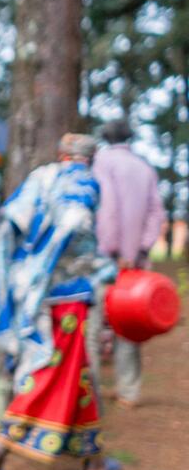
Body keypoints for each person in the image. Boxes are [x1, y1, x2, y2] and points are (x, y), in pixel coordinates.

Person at [0, 134, 121, 470]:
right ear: (89, 158)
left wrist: (21, 272)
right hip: (67, 296)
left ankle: (94, 458)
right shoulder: (82, 182)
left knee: (78, 371)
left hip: (34, 294)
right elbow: (76, 227)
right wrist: (101, 266)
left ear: (61, 153)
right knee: (50, 371)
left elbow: (11, 223)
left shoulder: (41, 178)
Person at [92, 119, 165, 408]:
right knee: (129, 321)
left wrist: (113, 249)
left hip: (107, 256)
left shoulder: (103, 162)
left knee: (96, 320)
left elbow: (108, 207)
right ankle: (129, 390)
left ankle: (92, 388)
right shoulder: (144, 167)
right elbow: (156, 213)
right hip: (136, 260)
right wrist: (139, 249)